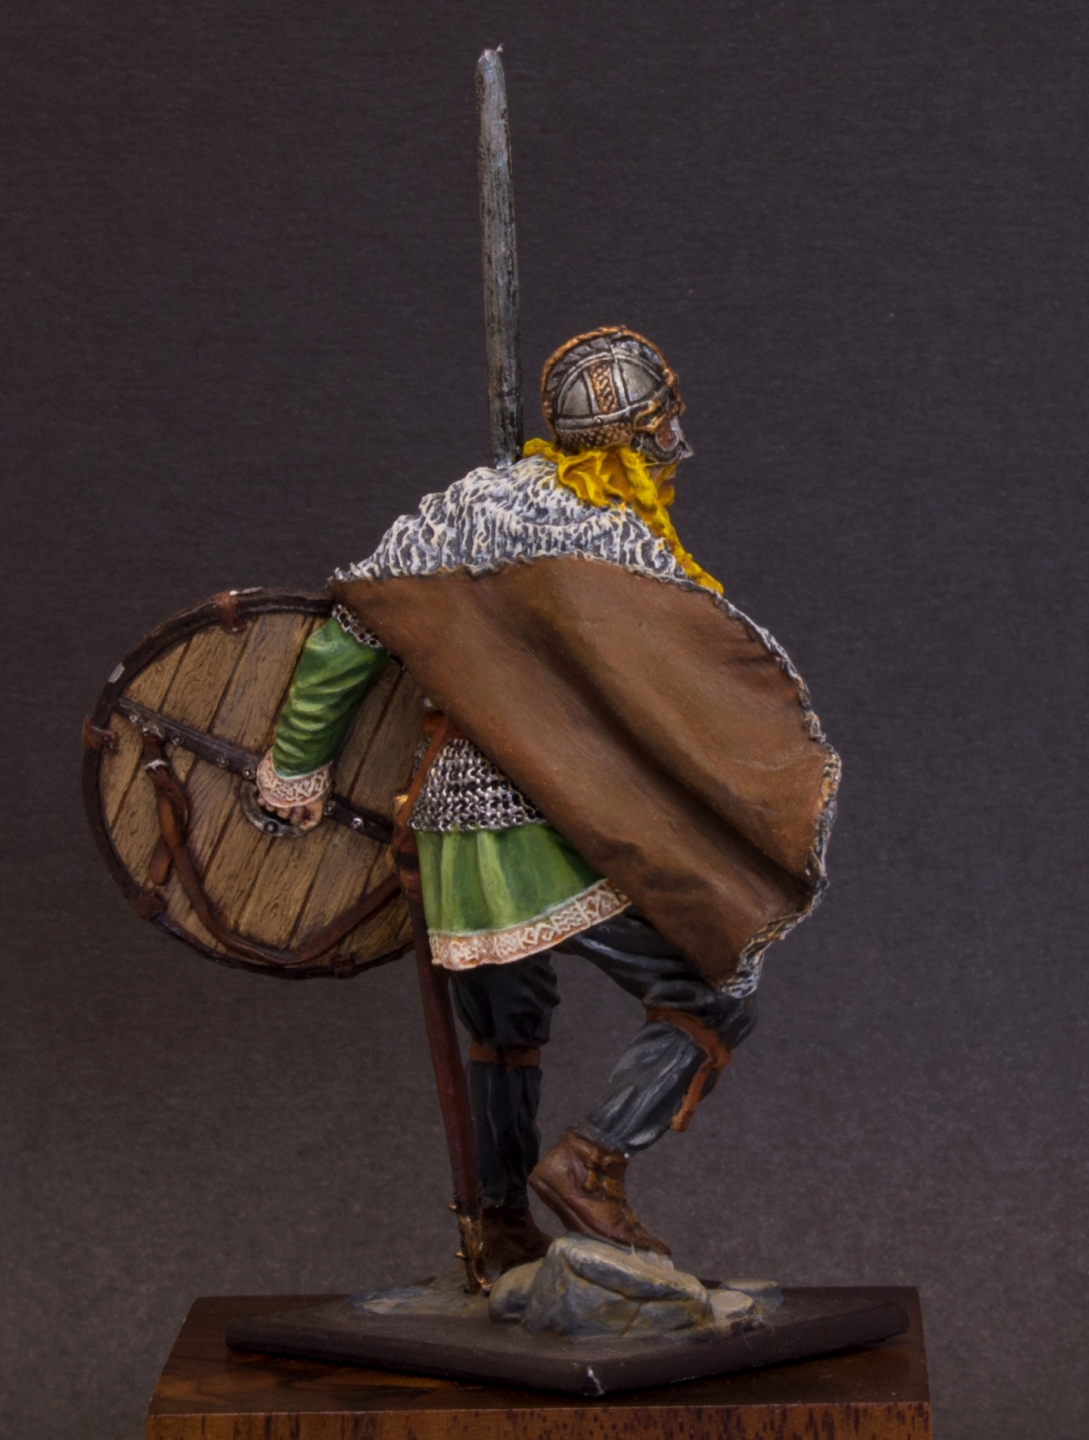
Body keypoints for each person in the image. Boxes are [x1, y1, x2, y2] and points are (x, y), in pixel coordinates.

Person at [256, 327, 839, 1273]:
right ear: (629, 440)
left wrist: (295, 767)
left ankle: (498, 1229)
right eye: (659, 427)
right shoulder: (613, 540)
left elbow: (348, 637)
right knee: (713, 991)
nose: (673, 441)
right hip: (552, 823)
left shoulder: (458, 513)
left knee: (503, 1035)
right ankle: (590, 1161)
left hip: (448, 831)